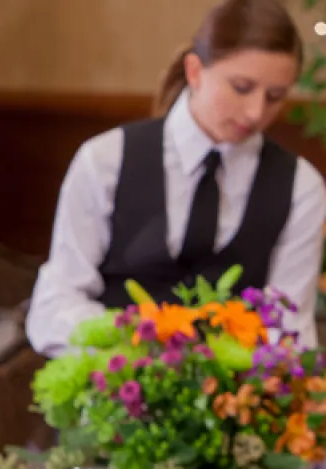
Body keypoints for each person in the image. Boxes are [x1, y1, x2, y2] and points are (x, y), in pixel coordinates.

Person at [27, 0, 325, 355]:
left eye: (275, 97)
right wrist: (129, 346)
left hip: (232, 399)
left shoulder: (300, 188)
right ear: (195, 71)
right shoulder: (105, 161)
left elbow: (291, 328)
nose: (256, 111)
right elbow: (55, 303)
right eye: (241, 87)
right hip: (110, 387)